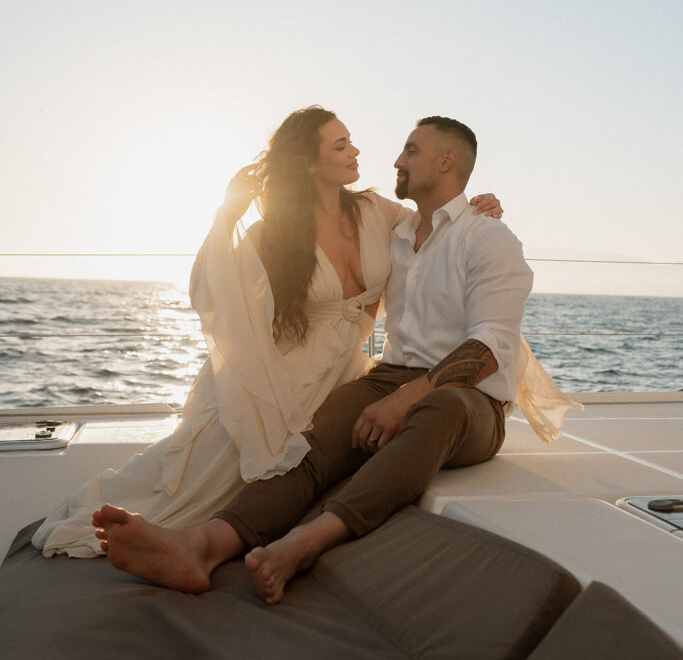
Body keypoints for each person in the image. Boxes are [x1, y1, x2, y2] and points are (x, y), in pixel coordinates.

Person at [90, 115, 577, 601]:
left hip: (466, 401)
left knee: (439, 407)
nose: (395, 160)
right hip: (388, 378)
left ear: (446, 161)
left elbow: (491, 347)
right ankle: (202, 545)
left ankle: (306, 542)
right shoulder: (402, 234)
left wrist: (407, 398)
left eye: (410, 151)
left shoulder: (487, 237)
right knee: (309, 441)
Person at [33, 107, 503, 558]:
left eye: (351, 141)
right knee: (217, 468)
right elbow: (214, 288)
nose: (356, 151)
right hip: (290, 366)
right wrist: (229, 215)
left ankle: (225, 541)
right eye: (341, 146)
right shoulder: (278, 232)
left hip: (346, 371)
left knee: (305, 455)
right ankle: (161, 532)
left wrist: (481, 204)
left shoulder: (377, 212)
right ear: (308, 161)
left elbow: (437, 227)